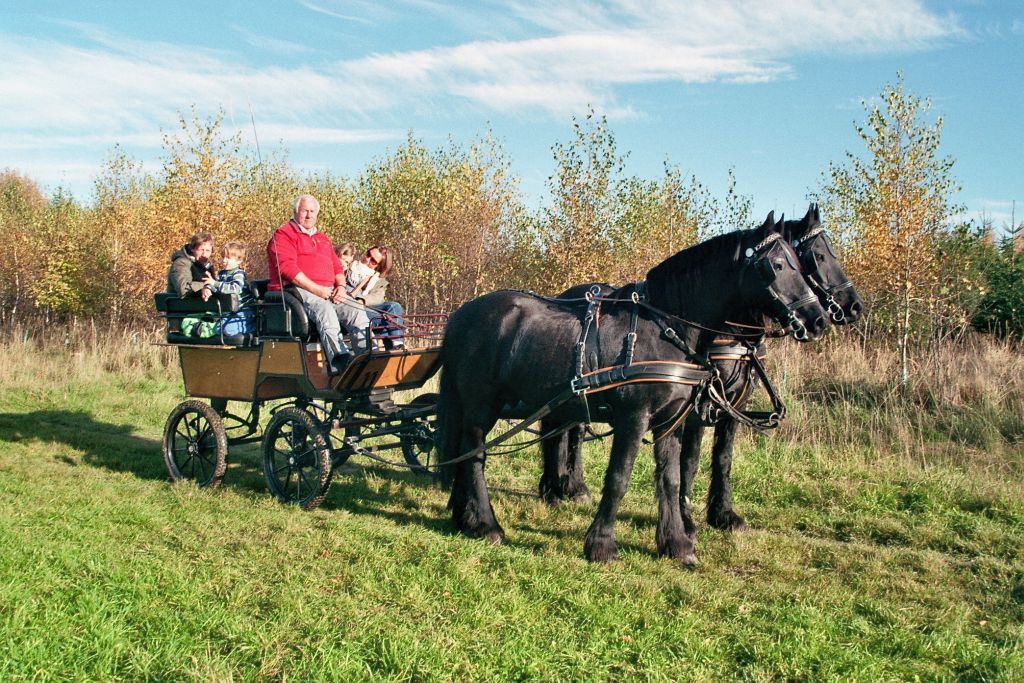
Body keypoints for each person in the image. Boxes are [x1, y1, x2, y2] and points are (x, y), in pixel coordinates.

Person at [266, 194, 369, 374]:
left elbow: (337, 267)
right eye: (305, 211)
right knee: (324, 310)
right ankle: (340, 362)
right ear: (295, 211)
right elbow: (287, 269)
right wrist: (317, 289)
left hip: (329, 290)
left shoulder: (322, 238)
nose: (309, 215)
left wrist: (342, 288)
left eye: (312, 211)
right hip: (296, 289)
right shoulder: (283, 235)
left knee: (356, 311)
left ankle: (369, 357)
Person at [345, 244, 405, 350]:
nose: (367, 259)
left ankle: (397, 342)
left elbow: (378, 297)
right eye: (368, 254)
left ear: (378, 267)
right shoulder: (348, 268)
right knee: (386, 321)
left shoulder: (377, 280)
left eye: (373, 261)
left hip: (367, 308)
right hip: (351, 309)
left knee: (394, 307)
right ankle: (390, 351)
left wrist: (363, 300)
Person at [202, 241, 255, 336]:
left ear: (239, 261)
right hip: (229, 309)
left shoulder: (238, 274)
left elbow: (235, 289)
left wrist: (215, 283)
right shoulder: (222, 273)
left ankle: (254, 327)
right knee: (212, 323)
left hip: (244, 310)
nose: (224, 260)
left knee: (226, 330)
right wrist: (208, 287)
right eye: (223, 257)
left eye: (228, 258)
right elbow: (216, 287)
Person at [167, 232, 214, 297]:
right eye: (201, 250)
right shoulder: (181, 263)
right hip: (183, 304)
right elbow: (183, 289)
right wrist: (209, 285)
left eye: (208, 250)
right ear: (192, 249)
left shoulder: (207, 265)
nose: (204, 254)